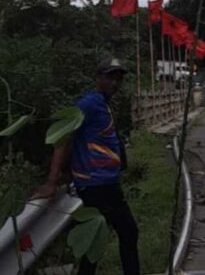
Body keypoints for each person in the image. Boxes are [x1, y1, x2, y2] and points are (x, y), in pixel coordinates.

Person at [33, 58, 140, 275]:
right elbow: (63, 138)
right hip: (97, 184)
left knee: (97, 240)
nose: (115, 83)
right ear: (98, 78)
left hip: (104, 182)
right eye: (110, 77)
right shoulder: (88, 104)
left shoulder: (103, 104)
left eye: (118, 78)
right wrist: (52, 181)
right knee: (126, 232)